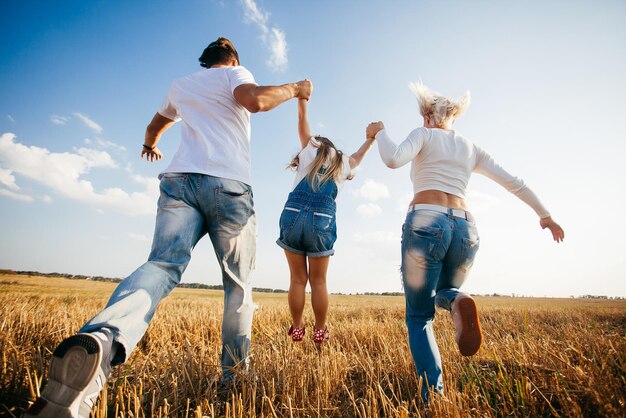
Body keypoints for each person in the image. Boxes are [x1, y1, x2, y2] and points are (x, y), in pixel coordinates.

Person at [25, 37, 312, 418]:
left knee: (162, 266)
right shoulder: (234, 74)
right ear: (232, 59)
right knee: (238, 286)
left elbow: (156, 123)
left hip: (179, 182)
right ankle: (234, 378)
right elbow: (255, 101)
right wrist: (295, 89)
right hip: (228, 186)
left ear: (204, 62)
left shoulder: (182, 84)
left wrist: (150, 145)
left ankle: (103, 337)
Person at [366, 81, 564, 401]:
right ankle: (458, 302)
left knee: (419, 317)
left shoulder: (423, 134)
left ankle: (435, 394)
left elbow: (392, 159)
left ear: (428, 116)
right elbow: (514, 182)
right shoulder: (471, 147)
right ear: (453, 117)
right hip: (466, 229)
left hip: (426, 223)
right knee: (446, 291)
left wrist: (380, 132)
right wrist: (545, 215)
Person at [277, 97, 375, 344]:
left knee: (297, 279)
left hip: (292, 214)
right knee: (319, 281)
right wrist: (371, 139)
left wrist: (302, 99)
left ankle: (298, 327)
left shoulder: (310, 148)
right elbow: (359, 156)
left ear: (317, 143)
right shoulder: (342, 163)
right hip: (322, 221)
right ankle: (319, 330)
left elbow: (301, 120)